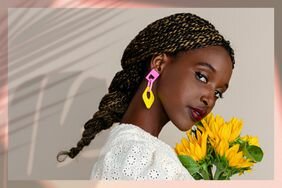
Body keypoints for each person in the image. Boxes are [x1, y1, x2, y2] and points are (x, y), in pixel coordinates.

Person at [56, 12, 235, 180]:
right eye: (202, 76)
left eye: (218, 93)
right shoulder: (141, 157)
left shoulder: (132, 151)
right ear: (158, 64)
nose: (209, 99)